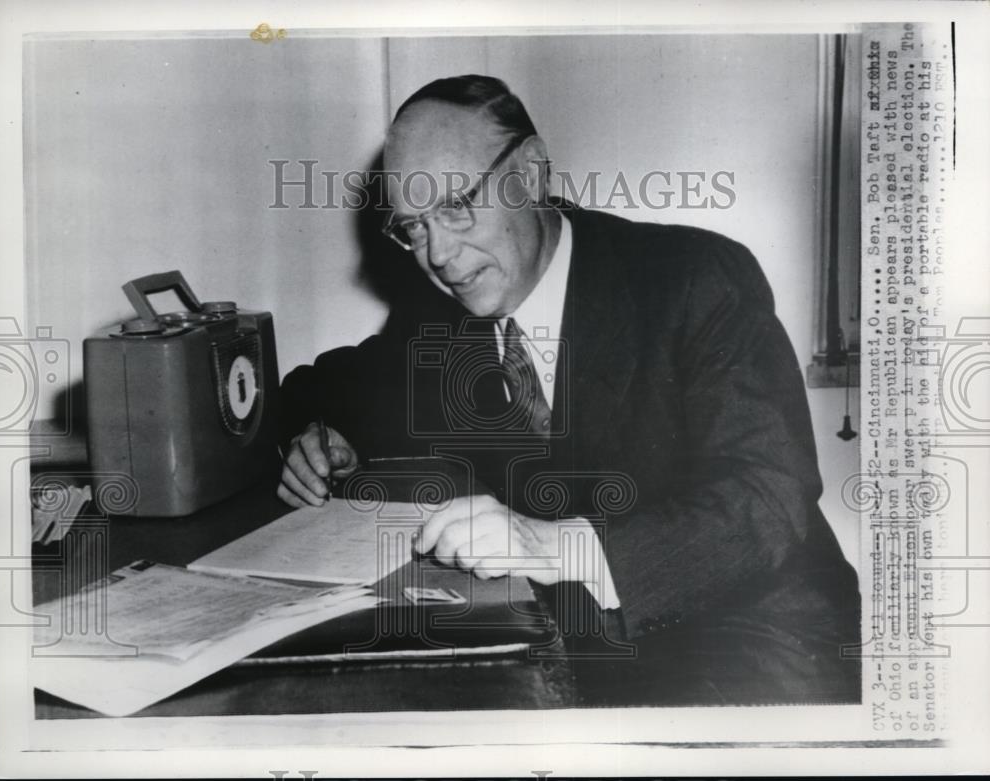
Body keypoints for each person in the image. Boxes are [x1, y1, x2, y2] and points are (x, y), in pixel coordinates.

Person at [278, 75, 861, 705]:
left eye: (454, 207)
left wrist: (555, 544)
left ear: (529, 174)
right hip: (578, 646)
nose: (438, 255)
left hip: (750, 640)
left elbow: (767, 498)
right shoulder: (443, 319)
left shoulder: (691, 279)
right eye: (413, 227)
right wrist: (319, 435)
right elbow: (336, 385)